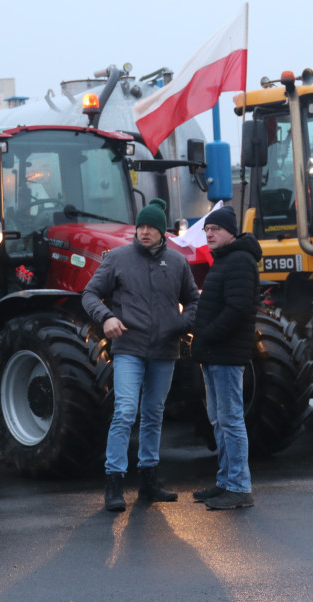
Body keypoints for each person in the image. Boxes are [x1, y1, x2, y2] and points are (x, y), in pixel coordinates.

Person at [82, 198, 199, 512]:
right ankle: (114, 482)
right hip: (129, 349)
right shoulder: (118, 258)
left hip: (165, 351)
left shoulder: (177, 263)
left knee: (154, 414)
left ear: (162, 231)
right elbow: (90, 293)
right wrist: (106, 317)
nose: (145, 232)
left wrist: (181, 322)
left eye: (151, 227)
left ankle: (149, 481)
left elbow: (193, 300)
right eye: (141, 226)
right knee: (124, 412)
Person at [190, 206, 262, 509]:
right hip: (214, 354)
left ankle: (239, 487)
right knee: (219, 421)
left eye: (215, 229)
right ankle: (225, 482)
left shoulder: (240, 262)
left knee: (231, 421)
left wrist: (208, 334)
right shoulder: (224, 261)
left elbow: (238, 309)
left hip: (226, 355)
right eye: (207, 230)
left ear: (231, 232)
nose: (209, 234)